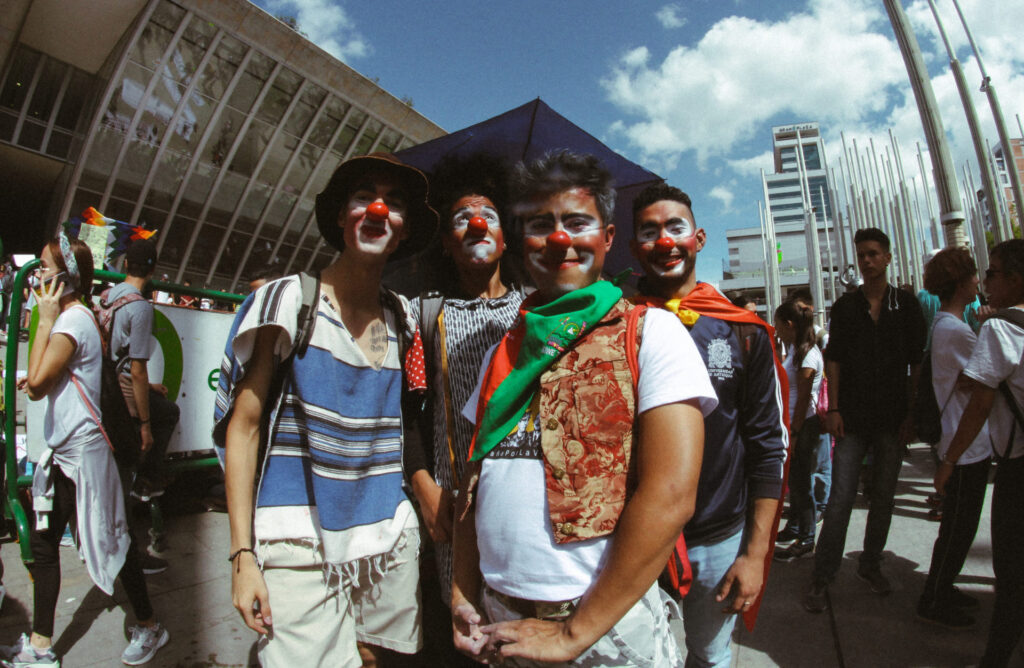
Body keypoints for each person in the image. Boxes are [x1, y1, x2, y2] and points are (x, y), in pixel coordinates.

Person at [450, 151, 715, 666]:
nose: (558, 239)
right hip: (500, 615)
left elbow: (672, 494)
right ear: (520, 241)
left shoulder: (651, 333)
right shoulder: (500, 351)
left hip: (602, 623)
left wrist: (573, 633)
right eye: (539, 224)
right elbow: (472, 481)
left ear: (608, 238)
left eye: (576, 222)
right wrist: (463, 587)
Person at [220, 152, 437, 666]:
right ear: (341, 217)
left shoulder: (403, 315)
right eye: (364, 197)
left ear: (404, 231)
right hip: (298, 541)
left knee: (377, 659)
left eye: (394, 204)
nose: (379, 210)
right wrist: (241, 555)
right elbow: (243, 429)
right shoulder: (286, 300)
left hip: (388, 537)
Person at [629, 183, 787, 668]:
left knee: (711, 656)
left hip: (718, 538)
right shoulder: (618, 323)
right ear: (634, 246)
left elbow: (768, 445)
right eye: (649, 231)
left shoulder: (743, 331)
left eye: (675, 228)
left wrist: (755, 554)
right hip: (633, 537)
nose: (664, 241)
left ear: (698, 238)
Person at [9, 234, 168, 666]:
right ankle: (41, 646)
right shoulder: (71, 319)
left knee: (112, 543)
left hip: (86, 454)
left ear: (66, 277)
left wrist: (42, 320)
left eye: (44, 267)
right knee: (47, 545)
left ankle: (151, 626)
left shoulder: (73, 321)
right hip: (67, 454)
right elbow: (45, 375)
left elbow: (39, 385)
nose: (37, 274)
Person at [404, 153, 524, 666]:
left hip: (522, 503)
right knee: (467, 631)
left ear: (504, 238)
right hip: (454, 507)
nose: (476, 223)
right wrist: (424, 486)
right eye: (462, 219)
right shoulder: (425, 314)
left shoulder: (536, 310)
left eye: (488, 216)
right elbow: (406, 410)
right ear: (449, 241)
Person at [804, 227, 926, 613]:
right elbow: (833, 360)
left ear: (888, 258)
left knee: (884, 496)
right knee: (840, 498)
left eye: (874, 253)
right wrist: (834, 409)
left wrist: (911, 414)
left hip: (891, 418)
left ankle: (869, 563)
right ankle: (823, 574)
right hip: (852, 417)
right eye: (862, 255)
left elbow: (917, 365)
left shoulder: (905, 306)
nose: (867, 260)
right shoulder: (845, 308)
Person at [936, 239, 1024, 667]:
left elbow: (980, 403)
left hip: (1016, 468)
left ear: (1014, 280)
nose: (985, 280)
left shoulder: (999, 328)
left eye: (992, 272)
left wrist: (949, 459)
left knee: (1010, 575)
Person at [916, 246, 992, 629]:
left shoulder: (949, 328)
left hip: (965, 444)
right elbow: (987, 376)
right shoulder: (954, 330)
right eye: (974, 275)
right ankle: (933, 596)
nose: (979, 281)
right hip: (963, 447)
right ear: (960, 281)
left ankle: (942, 587)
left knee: (958, 527)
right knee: (958, 529)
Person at [106, 240, 181, 502]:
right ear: (152, 271)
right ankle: (147, 479)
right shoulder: (140, 307)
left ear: (125, 264)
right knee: (170, 412)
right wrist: (146, 427)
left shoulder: (107, 297)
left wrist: (149, 388)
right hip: (123, 394)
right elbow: (137, 369)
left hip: (104, 384)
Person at [773, 300, 824, 562]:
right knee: (795, 482)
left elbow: (804, 399)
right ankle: (795, 528)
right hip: (794, 425)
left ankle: (806, 537)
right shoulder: (796, 351)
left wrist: (794, 431)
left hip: (802, 426)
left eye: (778, 324)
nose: (776, 329)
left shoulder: (808, 355)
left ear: (789, 325)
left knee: (802, 484)